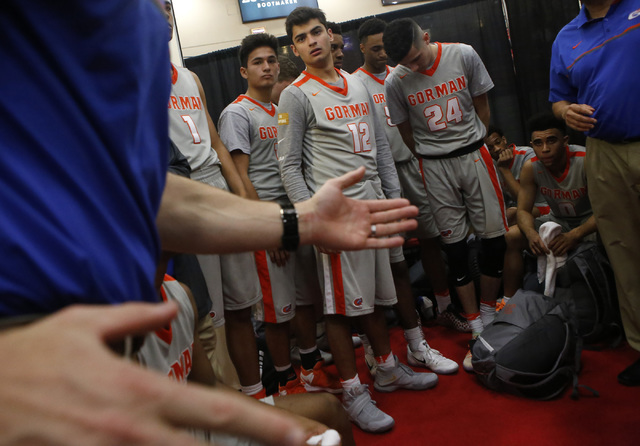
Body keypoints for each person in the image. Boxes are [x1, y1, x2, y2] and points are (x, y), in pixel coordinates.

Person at [0, 0, 419, 442]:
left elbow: (152, 191)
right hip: (46, 344)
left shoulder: (133, 34)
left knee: (319, 416)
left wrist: (297, 221)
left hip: (132, 316)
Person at [278, 7, 438, 433]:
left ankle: (386, 368)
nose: (311, 42)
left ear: (331, 36)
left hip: (374, 209)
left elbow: (382, 152)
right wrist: (313, 220)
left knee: (378, 297)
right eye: (300, 38)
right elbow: (289, 168)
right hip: (334, 217)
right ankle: (351, 391)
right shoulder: (295, 94)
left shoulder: (358, 85)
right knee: (338, 308)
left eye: (316, 32)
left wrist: (394, 202)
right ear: (294, 48)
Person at [218, 33, 340, 396]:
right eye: (258, 62)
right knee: (277, 309)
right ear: (244, 70)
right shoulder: (237, 112)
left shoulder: (283, 107)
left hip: (295, 212)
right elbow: (239, 177)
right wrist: (267, 226)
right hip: (268, 216)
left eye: (272, 60)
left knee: (305, 300)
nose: (268, 67)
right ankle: (285, 380)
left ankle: (309, 366)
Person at [383, 18, 508, 372]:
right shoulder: (396, 80)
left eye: (416, 57)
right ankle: (476, 325)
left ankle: (487, 311)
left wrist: (475, 141)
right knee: (453, 248)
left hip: (473, 154)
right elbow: (406, 131)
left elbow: (483, 106)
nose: (414, 66)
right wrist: (430, 154)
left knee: (494, 240)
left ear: (427, 36)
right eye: (405, 62)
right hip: (434, 164)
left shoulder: (463, 55)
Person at [137, 255, 355, 445]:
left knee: (328, 410)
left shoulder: (180, 293)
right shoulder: (118, 328)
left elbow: (209, 386)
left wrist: (280, 422)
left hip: (202, 422)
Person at [166, 1, 267, 395]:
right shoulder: (131, 79)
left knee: (242, 305)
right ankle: (230, 404)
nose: (162, 15)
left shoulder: (190, 77)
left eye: (166, 8)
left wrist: (242, 198)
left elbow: (218, 145)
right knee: (211, 315)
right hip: (187, 193)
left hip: (218, 187)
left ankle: (255, 391)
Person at [352, 17, 460, 374]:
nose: (384, 52)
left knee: (431, 236)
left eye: (387, 46)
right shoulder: (356, 84)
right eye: (376, 47)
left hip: (415, 161)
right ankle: (386, 336)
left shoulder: (406, 72)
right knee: (388, 259)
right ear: (363, 48)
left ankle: (443, 306)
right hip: (381, 174)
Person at [549, 0, 640, 386]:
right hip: (602, 152)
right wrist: (566, 112)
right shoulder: (566, 37)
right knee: (624, 251)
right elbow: (558, 98)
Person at [502, 113, 597, 301]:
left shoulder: (585, 160)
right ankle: (508, 302)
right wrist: (531, 234)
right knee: (512, 235)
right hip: (558, 219)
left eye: (551, 141)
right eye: (538, 143)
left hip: (591, 220)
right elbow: (522, 210)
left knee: (612, 235)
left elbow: (608, 210)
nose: (544, 149)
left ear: (565, 141)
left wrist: (575, 235)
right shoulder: (531, 167)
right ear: (532, 145)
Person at [484, 126, 550, 226]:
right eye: (490, 148)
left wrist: (504, 169)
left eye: (498, 142)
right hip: (518, 207)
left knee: (511, 215)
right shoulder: (490, 165)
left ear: (504, 140)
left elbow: (524, 200)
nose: (497, 149)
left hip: (543, 206)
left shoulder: (527, 155)